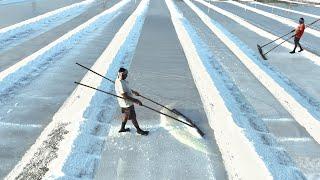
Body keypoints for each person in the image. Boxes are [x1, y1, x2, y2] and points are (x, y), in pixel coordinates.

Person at [114, 67, 149, 136]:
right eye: (125, 74)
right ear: (121, 74)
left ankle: (122, 128)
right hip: (127, 103)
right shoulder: (120, 83)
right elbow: (125, 96)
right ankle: (138, 130)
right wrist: (136, 100)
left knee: (125, 115)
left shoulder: (120, 79)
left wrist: (133, 92)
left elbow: (126, 88)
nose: (127, 76)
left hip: (124, 103)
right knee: (133, 117)